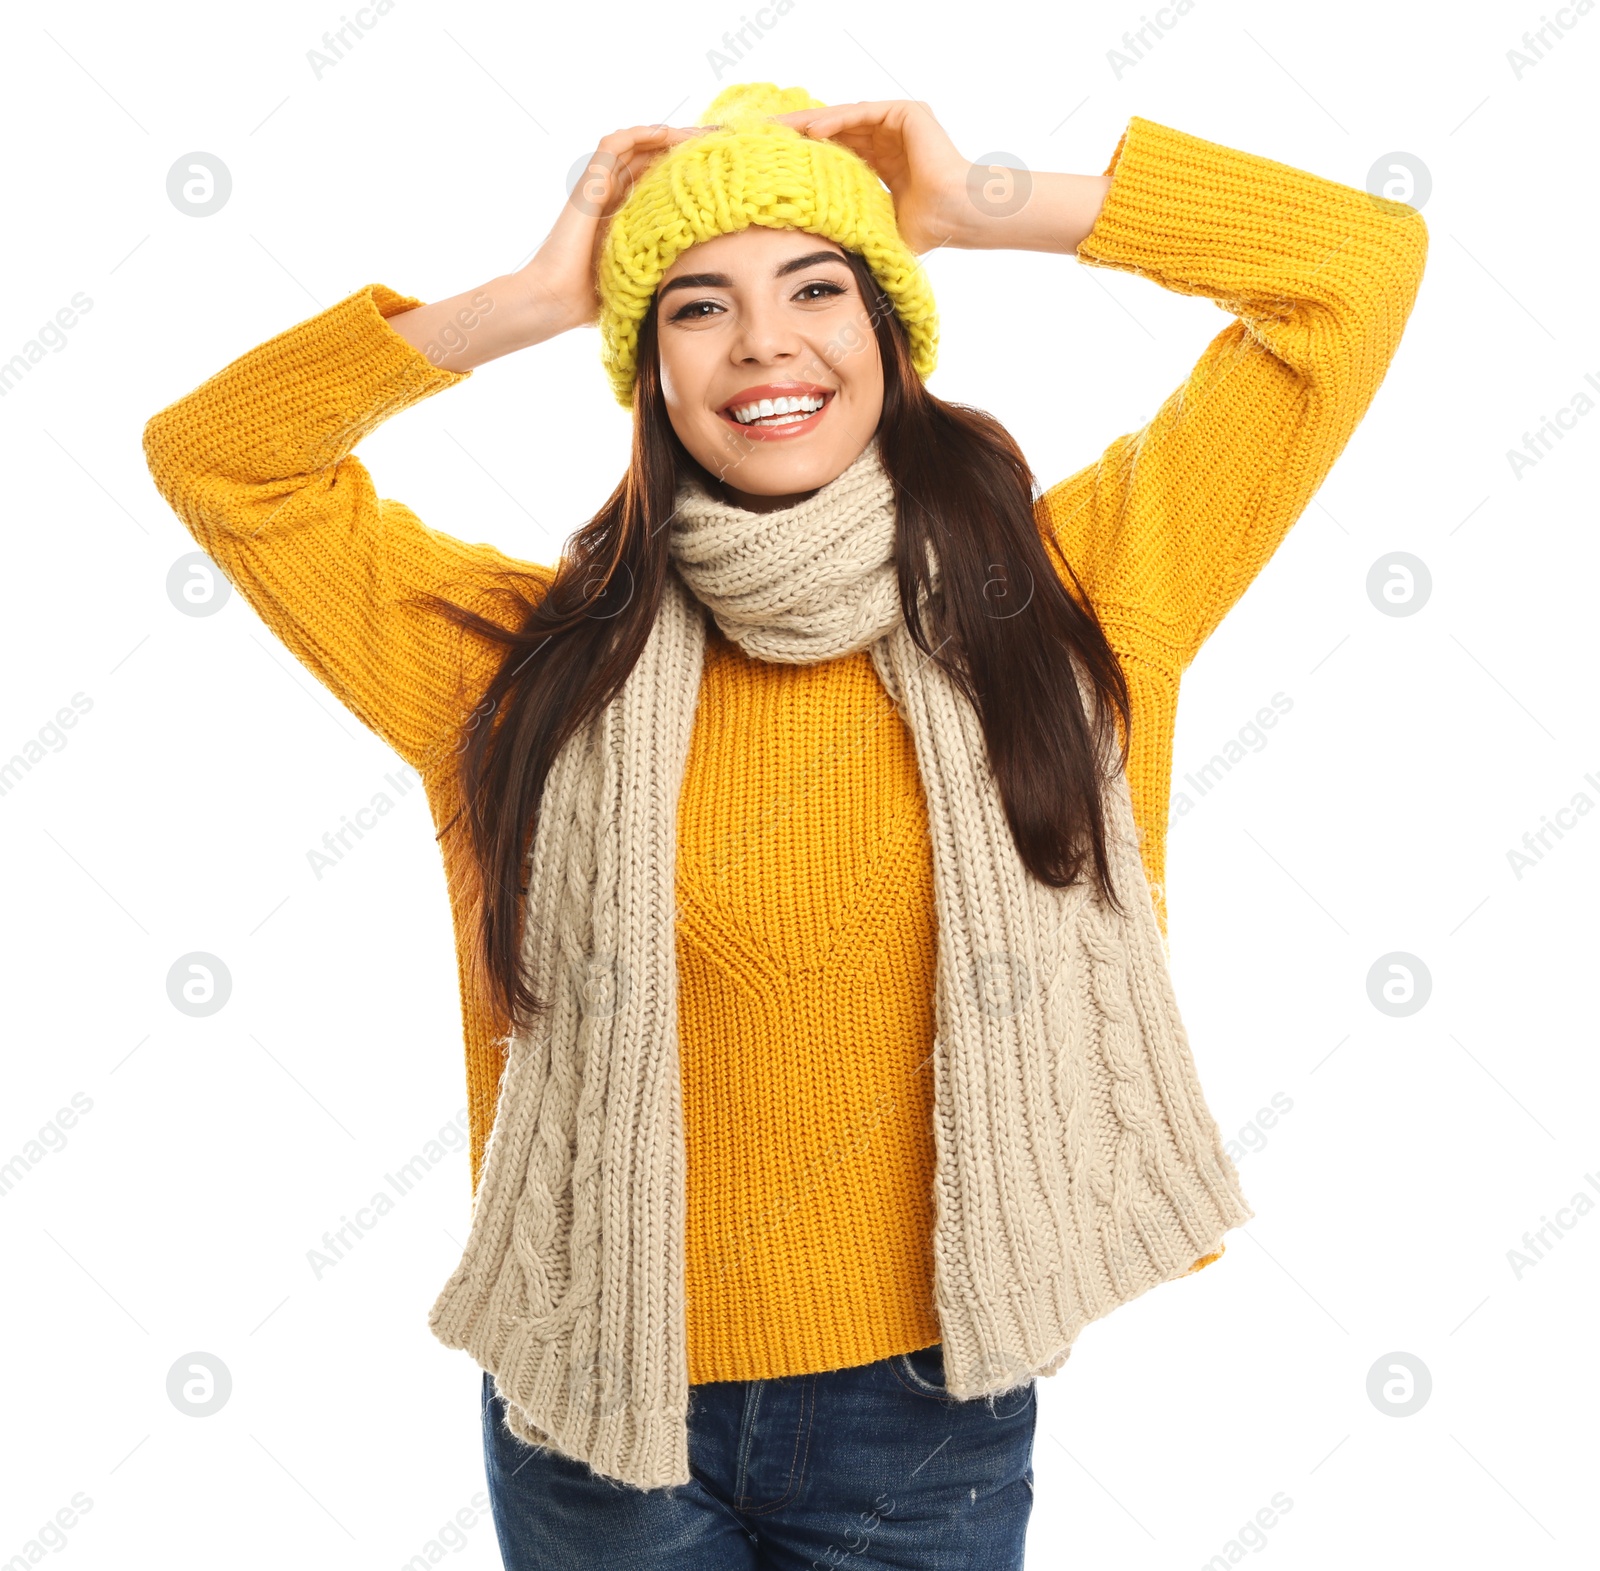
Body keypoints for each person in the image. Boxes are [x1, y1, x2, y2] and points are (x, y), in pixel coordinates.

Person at [143, 82, 1427, 1571]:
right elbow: (218, 457)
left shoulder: (1077, 592)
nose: (765, 341)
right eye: (695, 307)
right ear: (648, 370)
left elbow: (1357, 271)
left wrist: (980, 205)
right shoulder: (515, 670)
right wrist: (536, 296)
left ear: (890, 329)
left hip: (924, 1414)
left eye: (820, 286)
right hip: (594, 1399)